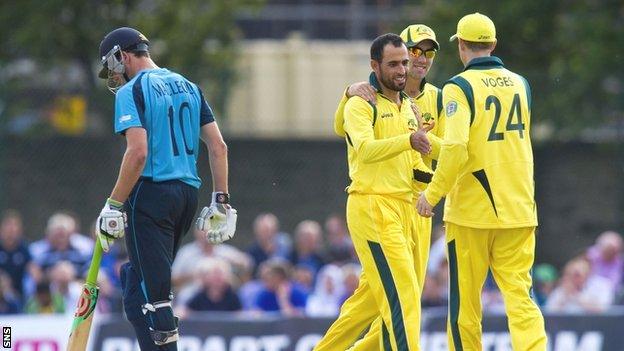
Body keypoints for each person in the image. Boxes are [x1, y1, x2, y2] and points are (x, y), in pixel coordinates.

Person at [96, 27, 237, 350]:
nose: (114, 75)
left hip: (150, 194)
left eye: (113, 65)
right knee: (135, 286)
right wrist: (221, 202)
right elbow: (218, 147)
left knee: (156, 298)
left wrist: (113, 204)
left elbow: (138, 152)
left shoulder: (133, 91)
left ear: (122, 56)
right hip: (187, 197)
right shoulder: (189, 86)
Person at [416, 13, 547, 350]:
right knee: (521, 298)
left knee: (465, 306)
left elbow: (458, 150)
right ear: (494, 44)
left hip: (472, 210)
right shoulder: (522, 84)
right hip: (519, 207)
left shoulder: (458, 88)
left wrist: (431, 195)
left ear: (461, 45)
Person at [317, 24, 441, 351]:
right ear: (375, 66)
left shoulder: (409, 105)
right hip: (374, 206)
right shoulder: (363, 102)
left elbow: (421, 155)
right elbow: (366, 149)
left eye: (406, 62)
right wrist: (409, 140)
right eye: (395, 63)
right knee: (404, 299)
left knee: (370, 304)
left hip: (408, 207)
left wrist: (460, 155)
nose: (405, 68)